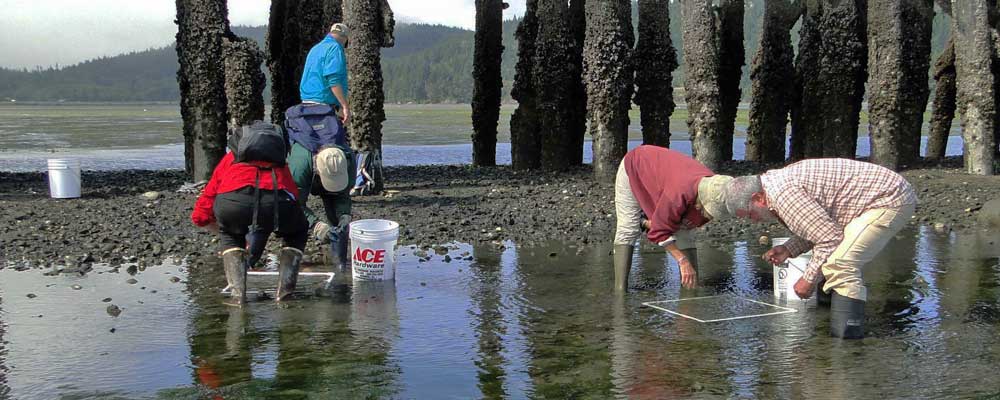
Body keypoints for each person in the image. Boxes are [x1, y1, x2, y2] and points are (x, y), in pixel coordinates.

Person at [722, 158, 917, 339]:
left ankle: (847, 343)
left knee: (841, 264)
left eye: (749, 214)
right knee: (833, 259)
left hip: (889, 199)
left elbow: (830, 238)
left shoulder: (784, 197)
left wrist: (808, 280)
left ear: (759, 198)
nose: (753, 220)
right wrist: (789, 249)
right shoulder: (773, 185)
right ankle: (839, 327)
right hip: (875, 196)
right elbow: (819, 226)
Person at [191, 124, 309, 305]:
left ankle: (238, 297)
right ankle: (285, 294)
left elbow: (201, 214)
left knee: (230, 234)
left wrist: (225, 231)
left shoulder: (231, 158)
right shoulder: (279, 162)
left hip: (233, 203)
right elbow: (293, 194)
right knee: (297, 232)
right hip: (278, 203)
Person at [613, 145, 733, 291]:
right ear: (701, 199)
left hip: (664, 180)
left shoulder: (714, 185)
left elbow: (685, 224)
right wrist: (682, 261)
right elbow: (658, 232)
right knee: (628, 229)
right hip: (634, 167)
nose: (709, 215)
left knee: (684, 229)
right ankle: (620, 291)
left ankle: (691, 288)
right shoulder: (676, 196)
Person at [299, 22, 350, 125]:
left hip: (306, 103)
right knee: (330, 139)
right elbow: (333, 79)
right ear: (345, 38)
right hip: (323, 106)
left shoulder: (315, 48)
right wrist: (344, 106)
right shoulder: (335, 48)